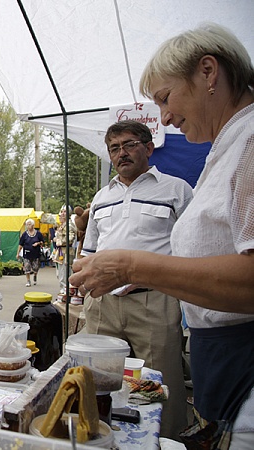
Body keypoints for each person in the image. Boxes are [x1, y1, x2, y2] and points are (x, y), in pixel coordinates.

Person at [72, 23, 254, 447]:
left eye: (165, 98)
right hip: (221, 359)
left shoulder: (247, 144)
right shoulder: (228, 145)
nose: (166, 116)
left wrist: (134, 266)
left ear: (208, 72)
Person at [78, 119, 193, 439]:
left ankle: (162, 442)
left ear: (149, 147)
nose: (121, 153)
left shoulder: (176, 190)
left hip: (152, 301)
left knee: (155, 385)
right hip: (103, 305)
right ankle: (101, 437)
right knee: (99, 379)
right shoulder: (101, 197)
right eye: (114, 148)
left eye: (129, 145)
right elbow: (89, 252)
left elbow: (194, 250)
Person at [52, 205, 75, 296]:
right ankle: (63, 288)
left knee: (65, 272)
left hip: (66, 252)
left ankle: (66, 289)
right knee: (60, 272)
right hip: (61, 251)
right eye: (61, 212)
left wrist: (59, 241)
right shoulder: (63, 224)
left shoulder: (69, 225)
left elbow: (70, 238)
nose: (62, 214)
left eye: (64, 212)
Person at [17, 218, 43, 287]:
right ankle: (28, 281)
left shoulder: (38, 234)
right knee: (27, 267)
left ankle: (35, 275)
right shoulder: (24, 234)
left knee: (35, 267)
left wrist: (38, 243)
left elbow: (42, 242)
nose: (28, 226)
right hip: (27, 253)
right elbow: (20, 244)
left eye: (29, 224)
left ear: (33, 225)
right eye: (27, 225)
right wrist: (18, 253)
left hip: (36, 254)